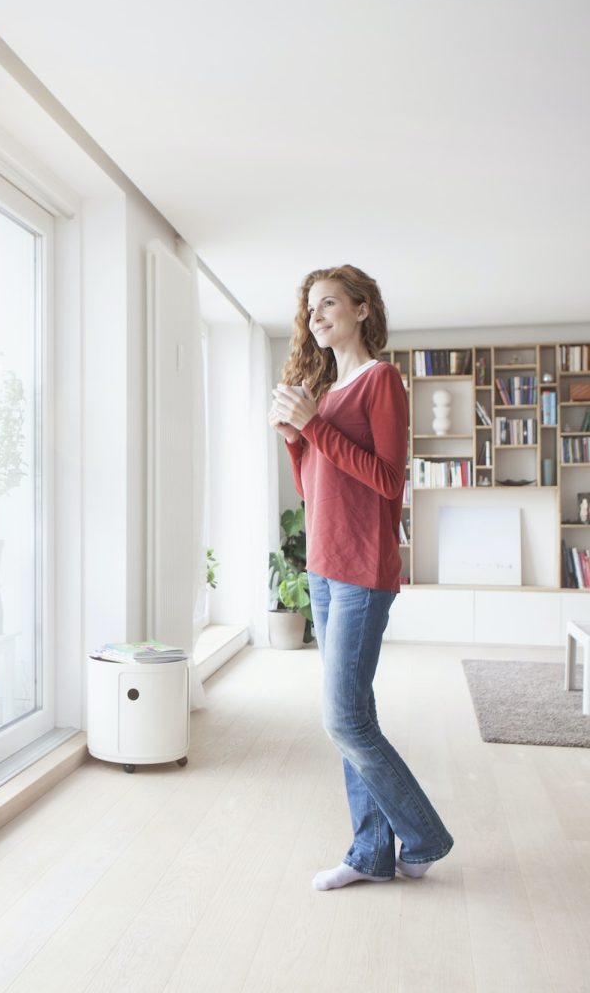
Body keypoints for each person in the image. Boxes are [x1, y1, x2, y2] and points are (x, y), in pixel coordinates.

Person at [268, 264, 453, 891]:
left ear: (362, 310)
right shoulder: (330, 391)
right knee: (356, 711)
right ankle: (372, 852)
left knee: (343, 719)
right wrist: (297, 439)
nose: (316, 316)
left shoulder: (381, 380)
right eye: (310, 308)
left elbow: (387, 483)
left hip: (361, 570)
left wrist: (314, 425)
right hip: (323, 566)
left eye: (328, 304)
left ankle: (424, 836)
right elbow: (316, 489)